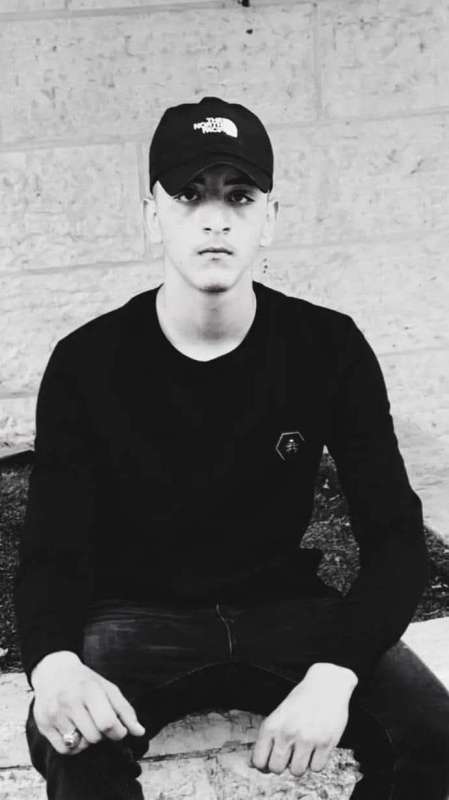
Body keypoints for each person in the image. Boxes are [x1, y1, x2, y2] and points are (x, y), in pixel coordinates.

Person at [15, 96, 449, 800]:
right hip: (134, 616)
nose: (214, 218)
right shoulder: (87, 361)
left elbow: (396, 538)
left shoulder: (327, 346)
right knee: (72, 736)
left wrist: (335, 673)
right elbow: (51, 551)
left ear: (268, 218)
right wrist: (55, 664)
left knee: (435, 738)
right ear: (152, 215)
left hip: (286, 609)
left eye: (239, 196)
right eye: (189, 195)